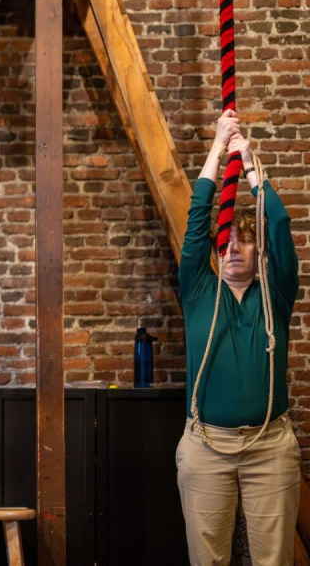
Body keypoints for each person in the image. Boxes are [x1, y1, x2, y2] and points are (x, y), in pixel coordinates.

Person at [176, 109, 301, 565]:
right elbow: (196, 220)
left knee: (274, 561)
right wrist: (217, 145)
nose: (232, 248)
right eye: (225, 241)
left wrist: (249, 165)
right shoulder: (198, 290)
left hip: (270, 446)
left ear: (257, 249)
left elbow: (281, 228)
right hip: (206, 447)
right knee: (207, 560)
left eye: (244, 240)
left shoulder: (277, 292)